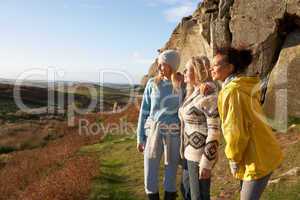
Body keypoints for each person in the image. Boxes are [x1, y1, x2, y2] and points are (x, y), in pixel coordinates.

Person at [210, 47, 283, 200]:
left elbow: (235, 131)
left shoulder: (233, 91)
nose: (211, 68)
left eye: (215, 64)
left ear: (230, 67)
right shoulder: (241, 86)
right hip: (262, 152)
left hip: (256, 159)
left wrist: (233, 158)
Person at [136, 49, 184, 200]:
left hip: (173, 133)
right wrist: (140, 137)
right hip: (153, 131)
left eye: (164, 65)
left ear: (173, 65)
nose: (161, 68)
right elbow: (144, 111)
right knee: (150, 173)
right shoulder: (152, 83)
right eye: (160, 65)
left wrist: (205, 86)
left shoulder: (182, 84)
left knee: (170, 174)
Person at [178, 56, 221, 200]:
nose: (183, 71)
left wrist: (207, 161)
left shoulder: (207, 93)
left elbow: (214, 131)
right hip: (188, 153)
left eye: (187, 69)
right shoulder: (193, 92)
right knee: (186, 191)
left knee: (199, 197)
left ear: (197, 72)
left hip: (199, 155)